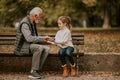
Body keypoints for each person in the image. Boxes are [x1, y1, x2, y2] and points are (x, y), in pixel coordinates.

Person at [14, 7, 52, 79]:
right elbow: (29, 38)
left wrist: (44, 39)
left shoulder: (32, 22)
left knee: (47, 49)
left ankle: (36, 71)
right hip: (21, 47)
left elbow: (34, 37)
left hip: (28, 45)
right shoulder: (25, 23)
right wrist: (43, 38)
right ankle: (33, 72)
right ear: (35, 15)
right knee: (39, 48)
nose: (40, 18)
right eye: (40, 16)